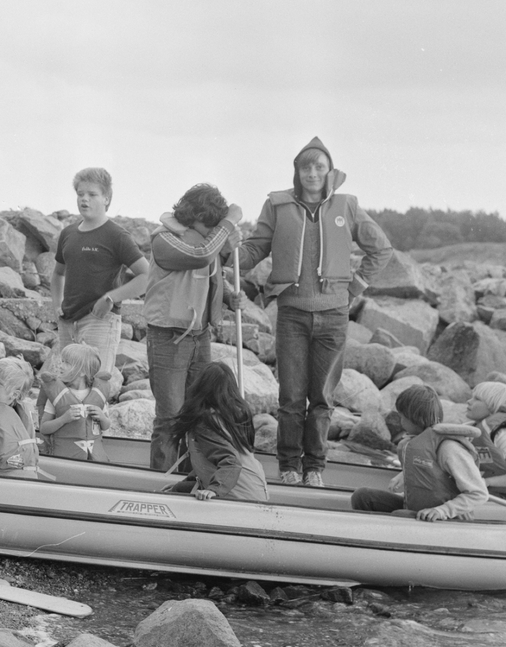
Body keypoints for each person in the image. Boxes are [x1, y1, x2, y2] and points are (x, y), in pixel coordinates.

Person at [237, 137, 392, 487]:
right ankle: (289, 465)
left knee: (322, 398)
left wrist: (356, 286)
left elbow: (381, 248)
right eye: (306, 166)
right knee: (291, 396)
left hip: (334, 316)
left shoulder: (347, 205)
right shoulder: (276, 205)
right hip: (291, 313)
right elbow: (256, 248)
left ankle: (315, 469)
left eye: (319, 167)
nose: (312, 173)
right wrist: (227, 254)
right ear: (297, 171)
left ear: (329, 171)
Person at [142, 184, 244, 471]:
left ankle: (192, 476)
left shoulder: (203, 241)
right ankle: (161, 482)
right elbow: (200, 255)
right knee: (171, 417)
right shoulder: (165, 240)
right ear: (192, 217)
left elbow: (208, 272)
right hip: (168, 338)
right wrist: (227, 223)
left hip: (200, 336)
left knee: (199, 413)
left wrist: (227, 296)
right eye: (209, 224)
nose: (212, 231)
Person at [40, 168, 151, 411]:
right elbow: (58, 274)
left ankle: (92, 439)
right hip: (68, 322)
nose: (84, 199)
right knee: (63, 381)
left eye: (92, 194)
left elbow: (146, 275)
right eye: (80, 194)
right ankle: (61, 436)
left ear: (107, 199)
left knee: (95, 385)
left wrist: (111, 297)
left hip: (100, 321)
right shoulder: (68, 233)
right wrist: (56, 304)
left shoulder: (116, 235)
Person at [350, 385, 488, 520]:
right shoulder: (416, 442)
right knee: (363, 496)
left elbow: (478, 493)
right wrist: (403, 474)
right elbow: (428, 469)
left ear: (414, 418)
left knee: (400, 515)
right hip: (417, 509)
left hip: (446, 518)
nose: (400, 421)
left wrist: (442, 511)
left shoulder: (449, 449)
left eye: (402, 417)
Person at [168, 363, 269, 502]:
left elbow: (231, 461)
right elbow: (208, 462)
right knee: (177, 490)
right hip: (258, 492)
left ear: (201, 387)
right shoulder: (236, 416)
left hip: (237, 496)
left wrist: (214, 490)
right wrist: (184, 484)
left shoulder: (205, 422)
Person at [38, 343, 111, 462]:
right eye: (62, 361)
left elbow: (106, 426)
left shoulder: (98, 396)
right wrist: (63, 419)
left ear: (82, 372)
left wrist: (102, 418)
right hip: (65, 460)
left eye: (66, 362)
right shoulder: (56, 396)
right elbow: (44, 428)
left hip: (94, 460)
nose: (60, 365)